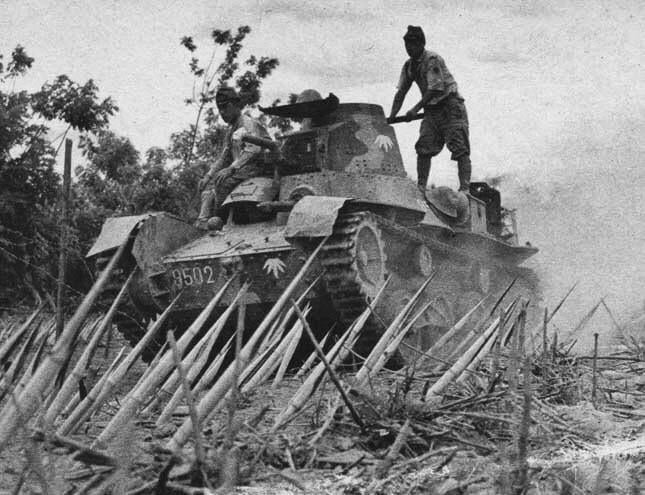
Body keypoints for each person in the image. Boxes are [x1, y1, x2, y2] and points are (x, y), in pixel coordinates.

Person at [389, 26, 471, 193]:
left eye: (412, 44)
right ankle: (421, 187)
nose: (409, 48)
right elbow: (401, 92)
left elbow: (435, 89)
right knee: (424, 147)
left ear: (421, 44)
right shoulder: (409, 66)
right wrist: (391, 116)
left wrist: (415, 109)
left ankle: (465, 189)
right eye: (406, 45)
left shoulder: (432, 59)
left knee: (459, 148)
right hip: (432, 111)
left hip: (450, 106)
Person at [197, 86, 270, 229]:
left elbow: (253, 150)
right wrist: (208, 176)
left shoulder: (246, 123)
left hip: (259, 168)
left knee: (223, 183)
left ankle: (220, 222)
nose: (222, 113)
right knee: (210, 187)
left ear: (235, 105)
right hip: (242, 170)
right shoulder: (232, 130)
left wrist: (230, 169)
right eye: (220, 109)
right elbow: (224, 157)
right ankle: (204, 221)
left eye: (225, 108)